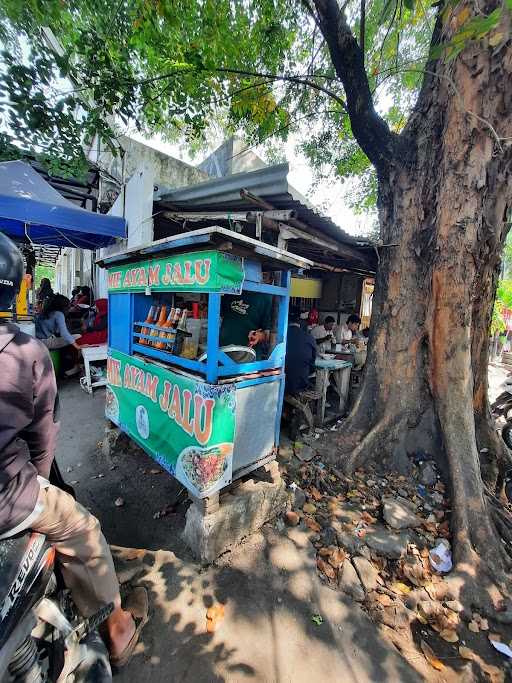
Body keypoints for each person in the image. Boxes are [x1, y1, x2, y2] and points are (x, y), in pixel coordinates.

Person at [0, 232, 146, 666]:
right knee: (85, 530)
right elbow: (42, 439)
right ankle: (118, 632)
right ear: (20, 285)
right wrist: (43, 483)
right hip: (10, 498)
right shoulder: (26, 351)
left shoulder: (47, 326)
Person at [220, 291, 272, 359]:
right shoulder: (230, 291)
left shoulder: (265, 297)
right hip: (223, 352)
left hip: (248, 356)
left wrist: (258, 336)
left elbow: (267, 335)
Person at [285, 309, 316, 395]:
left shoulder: (281, 336)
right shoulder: (309, 337)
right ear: (300, 322)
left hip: (281, 382)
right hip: (301, 383)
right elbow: (312, 364)